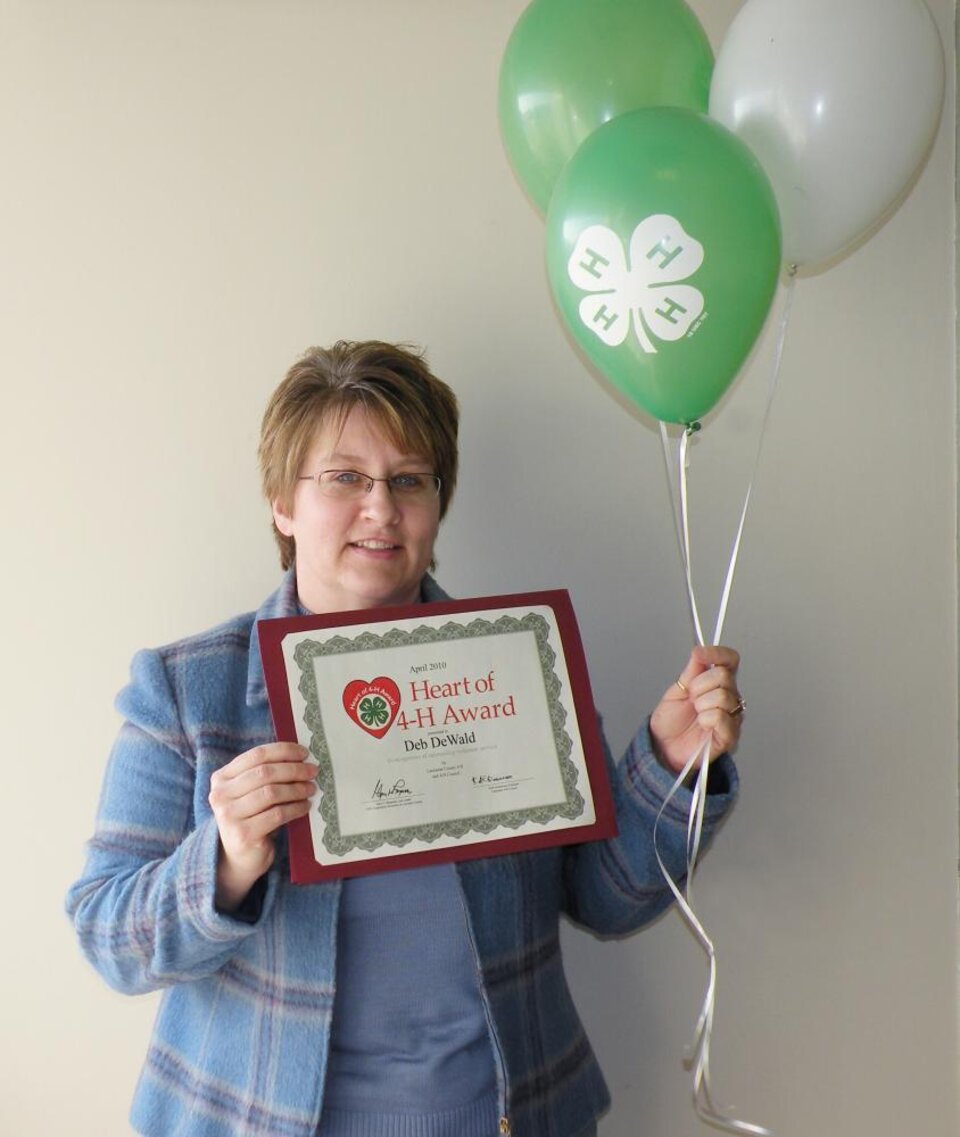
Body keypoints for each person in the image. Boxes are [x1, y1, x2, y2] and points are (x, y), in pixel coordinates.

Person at [67, 340, 746, 1137]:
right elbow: (107, 934)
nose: (381, 508)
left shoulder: (515, 666)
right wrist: (224, 859)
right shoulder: (187, 690)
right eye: (345, 478)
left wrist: (668, 766)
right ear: (283, 502)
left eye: (409, 480)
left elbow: (605, 897)